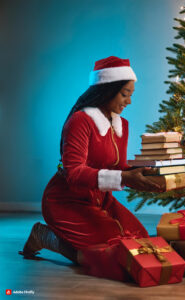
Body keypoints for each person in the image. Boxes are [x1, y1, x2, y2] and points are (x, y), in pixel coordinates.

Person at [19, 56, 160, 281]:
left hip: (101, 200)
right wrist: (125, 177)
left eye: (131, 94)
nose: (129, 101)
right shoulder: (80, 121)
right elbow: (74, 173)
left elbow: (119, 167)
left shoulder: (121, 124)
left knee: (141, 243)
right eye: (125, 94)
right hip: (66, 202)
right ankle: (46, 236)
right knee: (116, 255)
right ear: (107, 89)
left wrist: (149, 177)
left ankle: (65, 239)